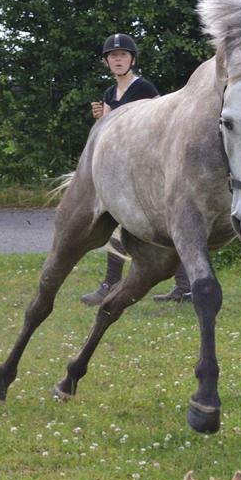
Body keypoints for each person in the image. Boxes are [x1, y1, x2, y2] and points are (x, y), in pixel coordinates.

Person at [79, 33, 192, 305]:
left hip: (144, 166)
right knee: (127, 223)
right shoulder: (109, 94)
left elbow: (160, 122)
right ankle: (183, 286)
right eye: (113, 56)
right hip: (121, 168)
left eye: (123, 55)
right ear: (107, 62)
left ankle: (112, 284)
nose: (118, 60)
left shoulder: (144, 88)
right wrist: (101, 119)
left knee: (150, 224)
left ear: (132, 60)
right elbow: (107, 134)